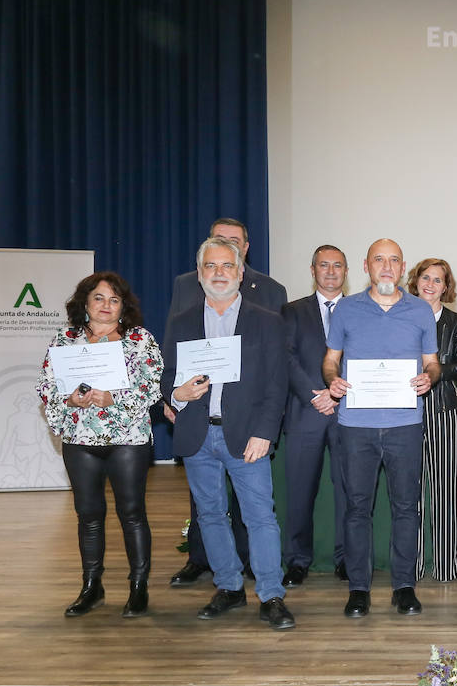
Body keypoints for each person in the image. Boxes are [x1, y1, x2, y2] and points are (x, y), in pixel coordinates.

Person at [161, 237, 293, 630]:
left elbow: (276, 383)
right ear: (200, 274)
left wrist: (265, 433)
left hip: (247, 437)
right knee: (211, 516)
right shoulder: (181, 321)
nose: (219, 274)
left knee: (260, 518)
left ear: (240, 272)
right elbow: (167, 376)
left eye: (226, 266)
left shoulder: (266, 319)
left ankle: (271, 594)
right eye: (211, 267)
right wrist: (177, 393)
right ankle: (229, 587)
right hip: (197, 434)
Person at [323, 239, 440, 619]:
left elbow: (433, 362)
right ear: (366, 266)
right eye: (379, 260)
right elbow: (330, 360)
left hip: (406, 424)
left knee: (406, 508)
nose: (386, 266)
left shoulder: (421, 310)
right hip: (356, 426)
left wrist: (429, 378)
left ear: (403, 266)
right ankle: (359, 589)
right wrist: (333, 380)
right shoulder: (346, 309)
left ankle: (404, 587)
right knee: (357, 508)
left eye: (393, 260)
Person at [37, 272, 163, 618]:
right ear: (85, 303)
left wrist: (112, 398)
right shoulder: (65, 339)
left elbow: (152, 387)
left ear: (123, 306)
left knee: (132, 514)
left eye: (114, 299)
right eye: (99, 298)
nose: (106, 305)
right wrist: (70, 400)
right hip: (80, 440)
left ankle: (139, 587)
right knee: (88, 515)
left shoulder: (140, 340)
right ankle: (92, 586)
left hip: (128, 440)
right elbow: (46, 387)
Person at [281, 245, 350, 587]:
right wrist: (317, 395)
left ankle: (345, 559)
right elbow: (286, 359)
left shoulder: (359, 311)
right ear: (313, 271)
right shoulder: (291, 311)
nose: (331, 271)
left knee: (348, 491)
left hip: (348, 414)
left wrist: (337, 394)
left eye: (338, 266)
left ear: (347, 272)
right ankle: (297, 560)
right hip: (304, 413)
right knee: (298, 492)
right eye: (324, 265)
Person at [408, 257, 457, 582]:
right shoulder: (399, 316)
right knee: (410, 492)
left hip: (444, 411)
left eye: (438, 280)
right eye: (426, 278)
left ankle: (446, 565)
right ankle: (413, 566)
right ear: (416, 280)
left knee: (446, 490)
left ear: (446, 287)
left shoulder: (455, 322)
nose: (431, 284)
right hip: (403, 413)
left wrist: (434, 373)